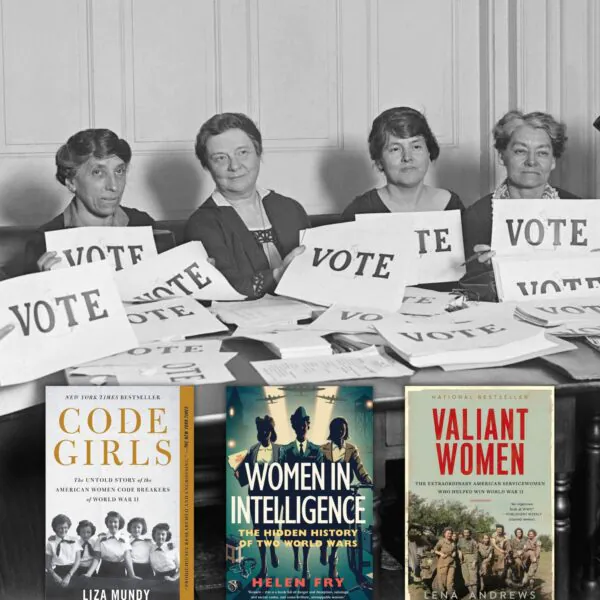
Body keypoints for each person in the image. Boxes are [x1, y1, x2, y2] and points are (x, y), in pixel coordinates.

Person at [185, 112, 309, 299]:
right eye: (220, 158)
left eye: (242, 153)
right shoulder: (202, 224)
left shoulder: (291, 209)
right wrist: (278, 274)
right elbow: (227, 288)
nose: (234, 166)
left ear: (258, 153)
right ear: (207, 166)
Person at [22, 128, 155, 275]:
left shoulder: (143, 225)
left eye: (119, 171)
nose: (114, 186)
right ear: (71, 182)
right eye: (98, 172)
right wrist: (43, 283)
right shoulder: (44, 242)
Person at [462, 110, 579, 273]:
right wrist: (484, 273)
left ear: (553, 161)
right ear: (502, 156)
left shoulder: (579, 211)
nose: (531, 161)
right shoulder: (476, 217)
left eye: (542, 153)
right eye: (520, 151)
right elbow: (465, 286)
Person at [342, 107, 464, 220]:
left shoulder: (452, 205)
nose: (407, 157)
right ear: (379, 161)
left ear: (429, 152)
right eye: (395, 149)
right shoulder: (361, 211)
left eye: (416, 147)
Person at [319, 417, 372, 578]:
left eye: (343, 428)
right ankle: (323, 546)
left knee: (339, 528)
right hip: (326, 494)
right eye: (337, 429)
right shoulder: (323, 449)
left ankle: (333, 559)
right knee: (324, 525)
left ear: (346, 430)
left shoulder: (351, 449)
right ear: (332, 430)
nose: (340, 431)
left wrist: (370, 483)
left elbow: (360, 470)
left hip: (343, 494)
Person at [279, 406, 323, 580]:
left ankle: (305, 565)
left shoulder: (316, 450)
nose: (301, 427)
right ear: (294, 426)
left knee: (306, 534)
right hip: (291, 499)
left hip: (309, 499)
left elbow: (320, 476)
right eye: (298, 424)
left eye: (304, 423)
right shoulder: (286, 450)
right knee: (294, 533)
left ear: (308, 425)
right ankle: (296, 556)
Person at [234, 415, 281, 579]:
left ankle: (273, 550)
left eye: (266, 430)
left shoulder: (279, 450)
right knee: (259, 531)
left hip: (273, 497)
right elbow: (244, 475)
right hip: (256, 496)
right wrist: (238, 474)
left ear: (271, 431)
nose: (263, 432)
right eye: (260, 430)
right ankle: (264, 566)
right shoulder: (252, 450)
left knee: (271, 529)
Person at [85, 511, 139, 579]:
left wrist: (132, 575)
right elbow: (96, 558)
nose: (112, 524)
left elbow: (127, 558)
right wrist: (89, 573)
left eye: (115, 522)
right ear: (107, 524)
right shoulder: (101, 538)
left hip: (119, 571)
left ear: (119, 524)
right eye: (110, 522)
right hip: (104, 570)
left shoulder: (125, 539)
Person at [45, 514, 81, 588]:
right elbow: (48, 565)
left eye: (65, 527)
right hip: (57, 572)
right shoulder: (51, 543)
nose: (63, 530)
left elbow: (78, 561)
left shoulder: (74, 540)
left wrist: (69, 576)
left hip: (73, 571)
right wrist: (55, 576)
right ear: (55, 528)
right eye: (60, 528)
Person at [434, 527, 456, 593]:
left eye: (451, 533)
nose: (449, 535)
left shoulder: (453, 542)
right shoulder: (441, 541)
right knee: (442, 580)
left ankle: (451, 594)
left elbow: (454, 549)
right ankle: (443, 594)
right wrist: (441, 554)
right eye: (448, 533)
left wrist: (454, 552)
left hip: (452, 563)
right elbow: (435, 550)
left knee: (450, 580)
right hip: (443, 562)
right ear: (444, 534)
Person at [457, 528, 479, 596]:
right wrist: (459, 552)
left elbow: (476, 552)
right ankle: (471, 594)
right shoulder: (460, 541)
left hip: (471, 558)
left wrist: (474, 561)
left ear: (470, 534)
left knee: (473, 577)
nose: (466, 534)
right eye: (465, 532)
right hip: (463, 560)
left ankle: (475, 595)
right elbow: (458, 548)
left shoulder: (473, 541)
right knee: (466, 577)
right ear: (463, 533)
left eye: (467, 532)